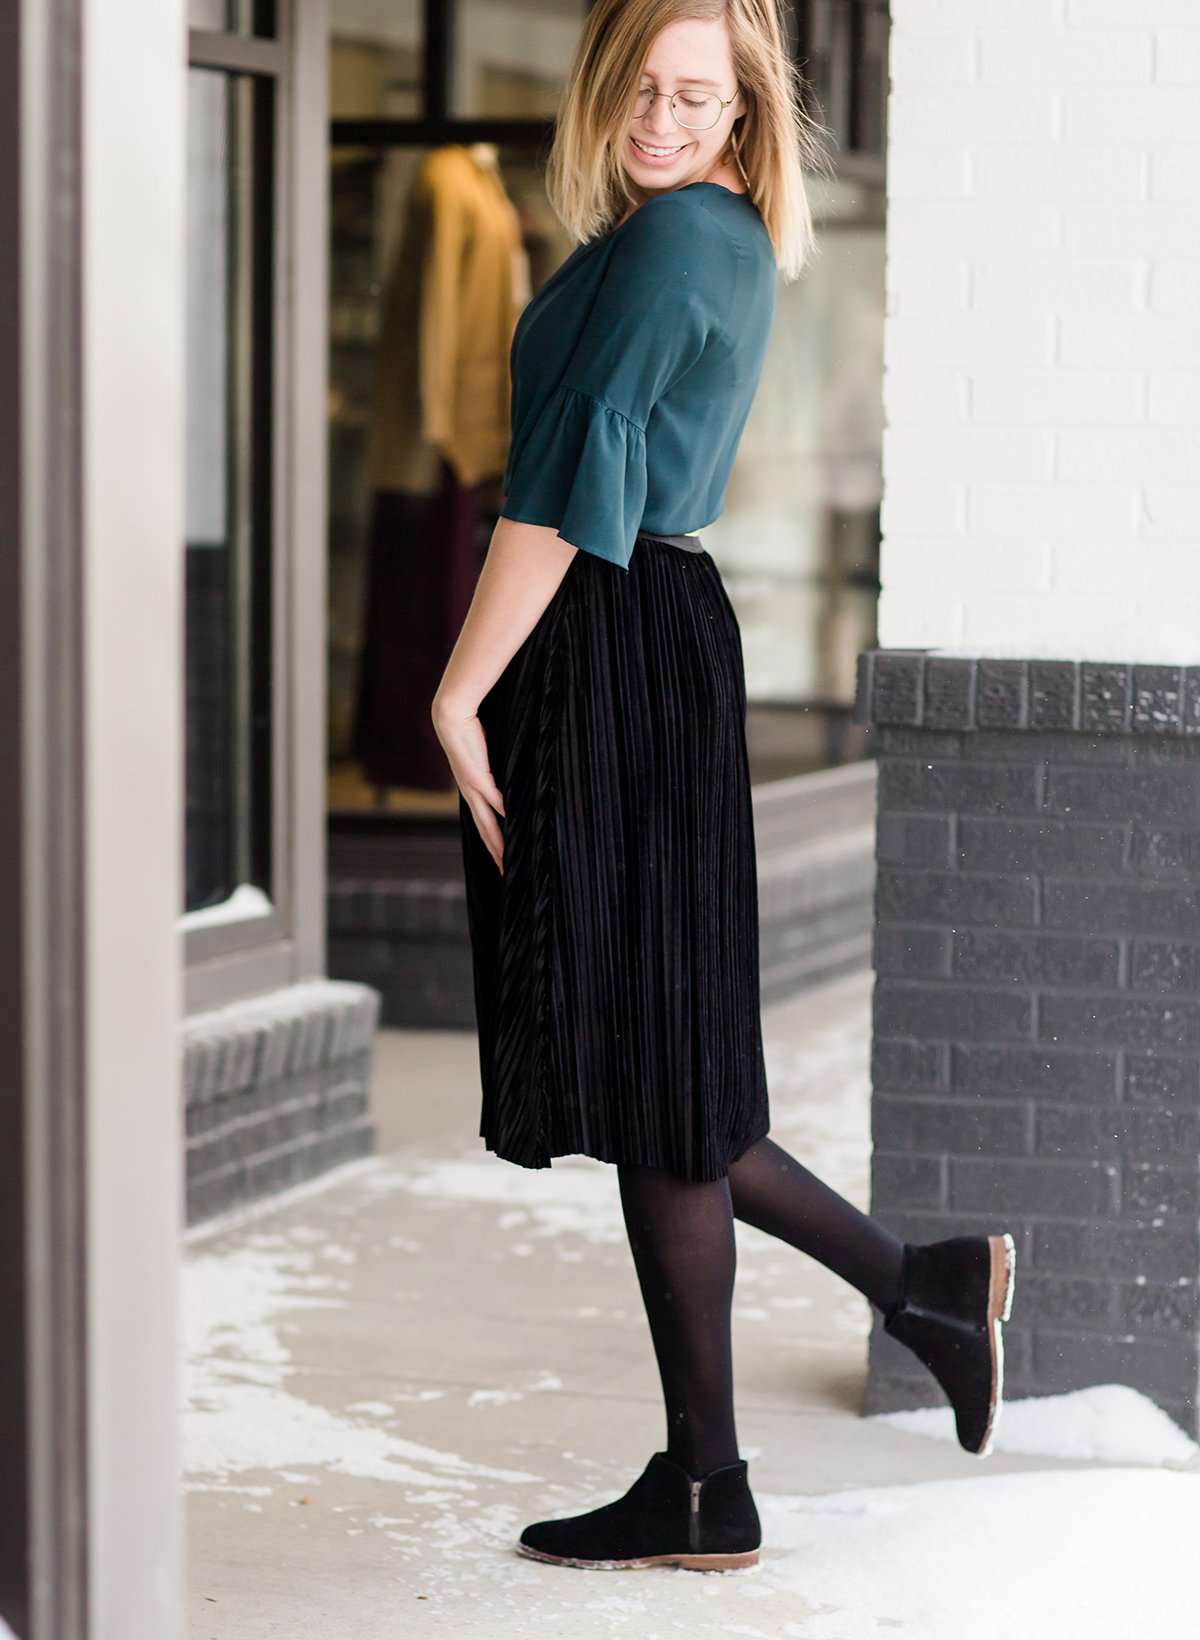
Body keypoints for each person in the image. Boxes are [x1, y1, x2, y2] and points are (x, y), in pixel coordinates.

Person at [433, 0, 1017, 1575]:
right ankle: (876, 1328)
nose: (668, 113)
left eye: (703, 93)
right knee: (659, 1069)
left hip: (607, 633)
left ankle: (738, 1455)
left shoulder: (689, 237)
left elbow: (572, 486)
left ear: (746, 116)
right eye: (646, 82)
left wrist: (457, 687)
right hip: (636, 636)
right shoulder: (671, 234)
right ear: (602, 84)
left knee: (659, 1073)